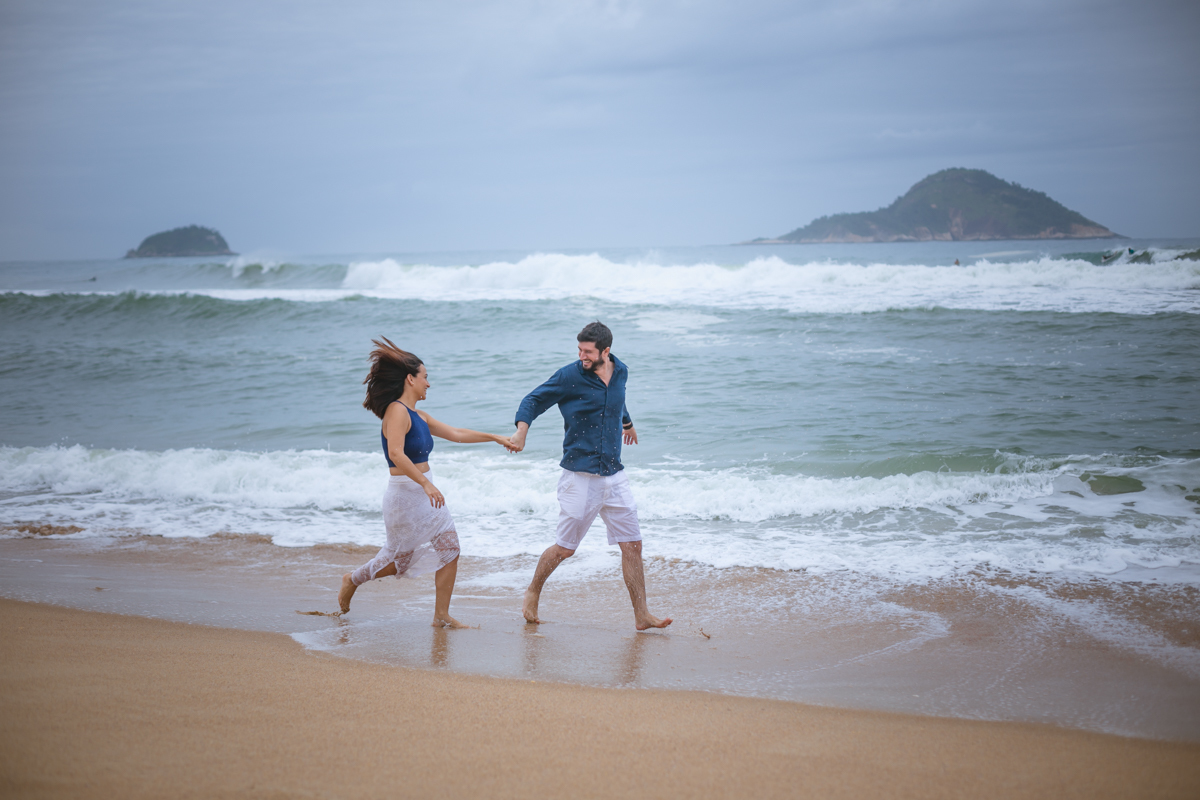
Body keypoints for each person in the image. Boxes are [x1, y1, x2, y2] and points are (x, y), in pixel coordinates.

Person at [338, 337, 517, 627]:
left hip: (426, 494)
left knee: (450, 549)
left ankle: (441, 615)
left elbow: (456, 434)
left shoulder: (419, 415)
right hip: (405, 497)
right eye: (425, 377)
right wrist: (425, 483)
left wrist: (495, 437)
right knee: (398, 561)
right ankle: (352, 579)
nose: (428, 383)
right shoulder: (396, 411)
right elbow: (396, 453)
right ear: (410, 379)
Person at [509, 321, 672, 631]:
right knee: (565, 548)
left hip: (614, 473)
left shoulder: (620, 371)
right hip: (579, 476)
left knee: (633, 545)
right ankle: (533, 591)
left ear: (605, 351)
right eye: (579, 350)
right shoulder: (569, 377)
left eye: (588, 352)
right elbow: (533, 400)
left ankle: (642, 615)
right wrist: (521, 431)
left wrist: (627, 424)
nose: (582, 356)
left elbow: (616, 398)